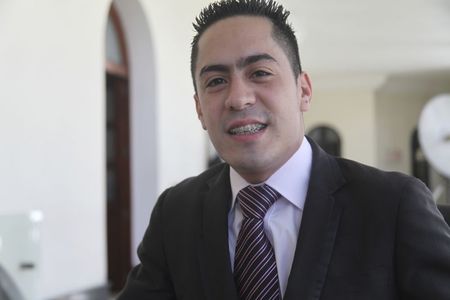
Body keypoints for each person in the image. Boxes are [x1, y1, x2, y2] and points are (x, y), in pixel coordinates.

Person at [117, 0, 450, 299]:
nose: (238, 98)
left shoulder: (391, 205)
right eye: (216, 81)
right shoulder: (175, 213)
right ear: (200, 109)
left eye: (260, 73)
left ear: (303, 90)